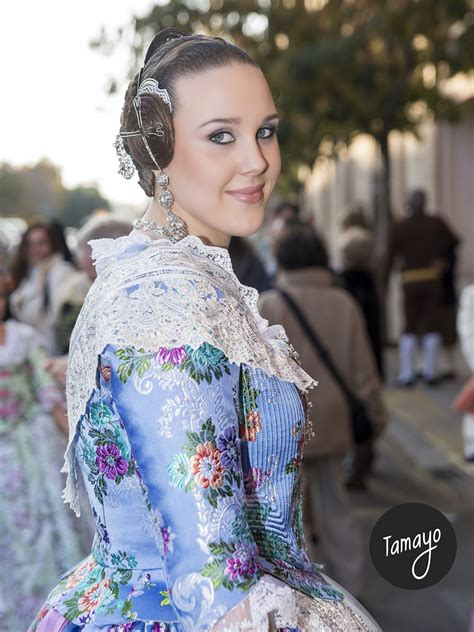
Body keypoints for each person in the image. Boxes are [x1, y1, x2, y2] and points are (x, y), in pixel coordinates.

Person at [31, 29, 380, 631]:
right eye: (222, 136)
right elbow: (213, 583)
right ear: (158, 150)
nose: (257, 160)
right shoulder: (165, 299)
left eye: (265, 130)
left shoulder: (171, 277)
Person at [258, 224, 387, 598]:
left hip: (287, 425)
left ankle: (307, 596)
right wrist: (376, 418)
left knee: (293, 514)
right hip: (334, 421)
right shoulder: (343, 303)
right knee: (337, 509)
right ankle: (353, 593)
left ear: (281, 259)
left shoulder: (270, 303)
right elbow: (364, 371)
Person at [0, 269, 85, 631]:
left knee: (48, 525)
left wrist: (71, 436)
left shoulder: (22, 337)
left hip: (30, 442)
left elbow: (45, 390)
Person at [385, 189, 460, 386]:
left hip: (410, 281)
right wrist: (442, 260)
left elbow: (389, 257)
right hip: (432, 280)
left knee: (410, 325)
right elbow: (455, 241)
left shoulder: (399, 226)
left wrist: (383, 284)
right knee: (431, 324)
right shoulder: (436, 223)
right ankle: (430, 373)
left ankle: (408, 374)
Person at [9, 220, 76, 355]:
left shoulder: (60, 272)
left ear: (52, 244)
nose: (35, 249)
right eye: (30, 244)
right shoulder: (30, 273)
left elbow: (56, 321)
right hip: (28, 354)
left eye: (41, 243)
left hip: (50, 355)